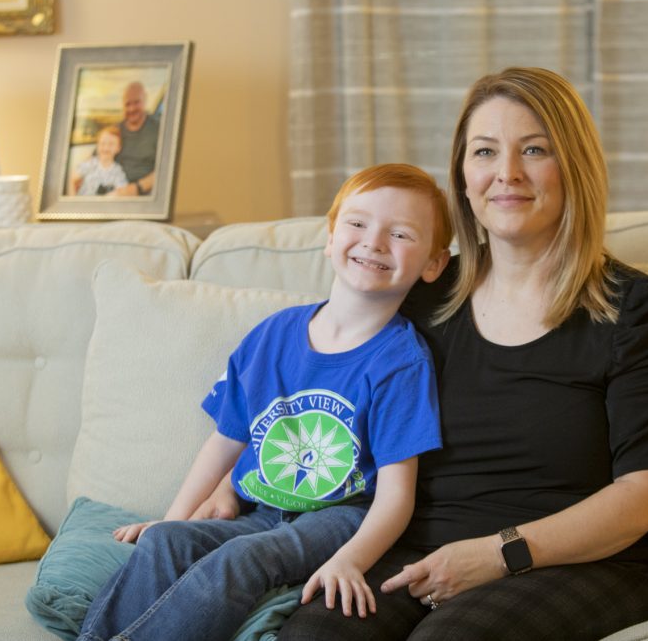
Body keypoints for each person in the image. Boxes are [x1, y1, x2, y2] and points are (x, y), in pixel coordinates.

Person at [275, 67, 648, 640]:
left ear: (573, 166)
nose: (506, 174)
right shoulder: (421, 297)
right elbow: (312, 376)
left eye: (534, 149)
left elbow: (647, 496)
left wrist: (500, 553)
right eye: (484, 151)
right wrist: (227, 483)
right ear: (462, 174)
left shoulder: (636, 312)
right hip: (416, 551)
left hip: (579, 565)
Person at [78, 163, 454, 641]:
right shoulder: (274, 335)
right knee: (165, 542)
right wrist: (170, 519)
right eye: (358, 224)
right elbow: (224, 441)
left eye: (400, 234)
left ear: (433, 264)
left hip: (340, 517)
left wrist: (350, 560)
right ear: (331, 233)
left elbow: (398, 496)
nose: (374, 242)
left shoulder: (401, 361)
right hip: (259, 510)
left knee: (240, 560)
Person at [110, 81, 160, 197]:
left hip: (146, 193)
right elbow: (96, 158)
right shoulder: (116, 130)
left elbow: (166, 170)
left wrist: (137, 188)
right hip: (115, 191)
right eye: (127, 104)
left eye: (136, 102)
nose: (132, 109)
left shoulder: (159, 129)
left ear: (145, 100)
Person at [70, 126, 129, 196]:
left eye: (111, 144)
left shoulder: (118, 171)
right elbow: (72, 179)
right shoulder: (90, 163)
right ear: (97, 146)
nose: (106, 148)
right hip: (82, 203)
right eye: (102, 143)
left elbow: (123, 191)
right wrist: (72, 199)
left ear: (118, 148)